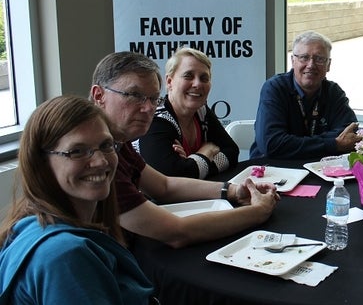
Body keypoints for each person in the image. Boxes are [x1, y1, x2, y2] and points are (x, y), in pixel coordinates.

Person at [0, 95, 272, 305]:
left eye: (106, 146)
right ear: (41, 163)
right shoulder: (63, 259)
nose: (101, 162)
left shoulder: (36, 225)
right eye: (78, 151)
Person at [90, 51, 278, 249]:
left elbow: (164, 186)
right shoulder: (98, 156)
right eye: (135, 95)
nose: (147, 108)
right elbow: (177, 232)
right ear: (99, 95)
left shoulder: (117, 141)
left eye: (153, 98)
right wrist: (258, 212)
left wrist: (234, 190)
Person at [250, 31, 362, 160]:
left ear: (328, 65)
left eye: (319, 59)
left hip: (321, 169)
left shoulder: (333, 92)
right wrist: (333, 144)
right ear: (293, 61)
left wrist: (294, 143)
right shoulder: (275, 88)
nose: (311, 65)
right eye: (304, 57)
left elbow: (350, 134)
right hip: (272, 171)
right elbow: (272, 144)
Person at [136, 47, 238, 179]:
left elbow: (232, 152)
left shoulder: (201, 111)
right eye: (188, 76)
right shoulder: (156, 119)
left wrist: (192, 164)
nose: (197, 84)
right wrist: (206, 152)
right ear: (169, 82)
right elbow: (172, 177)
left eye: (204, 78)